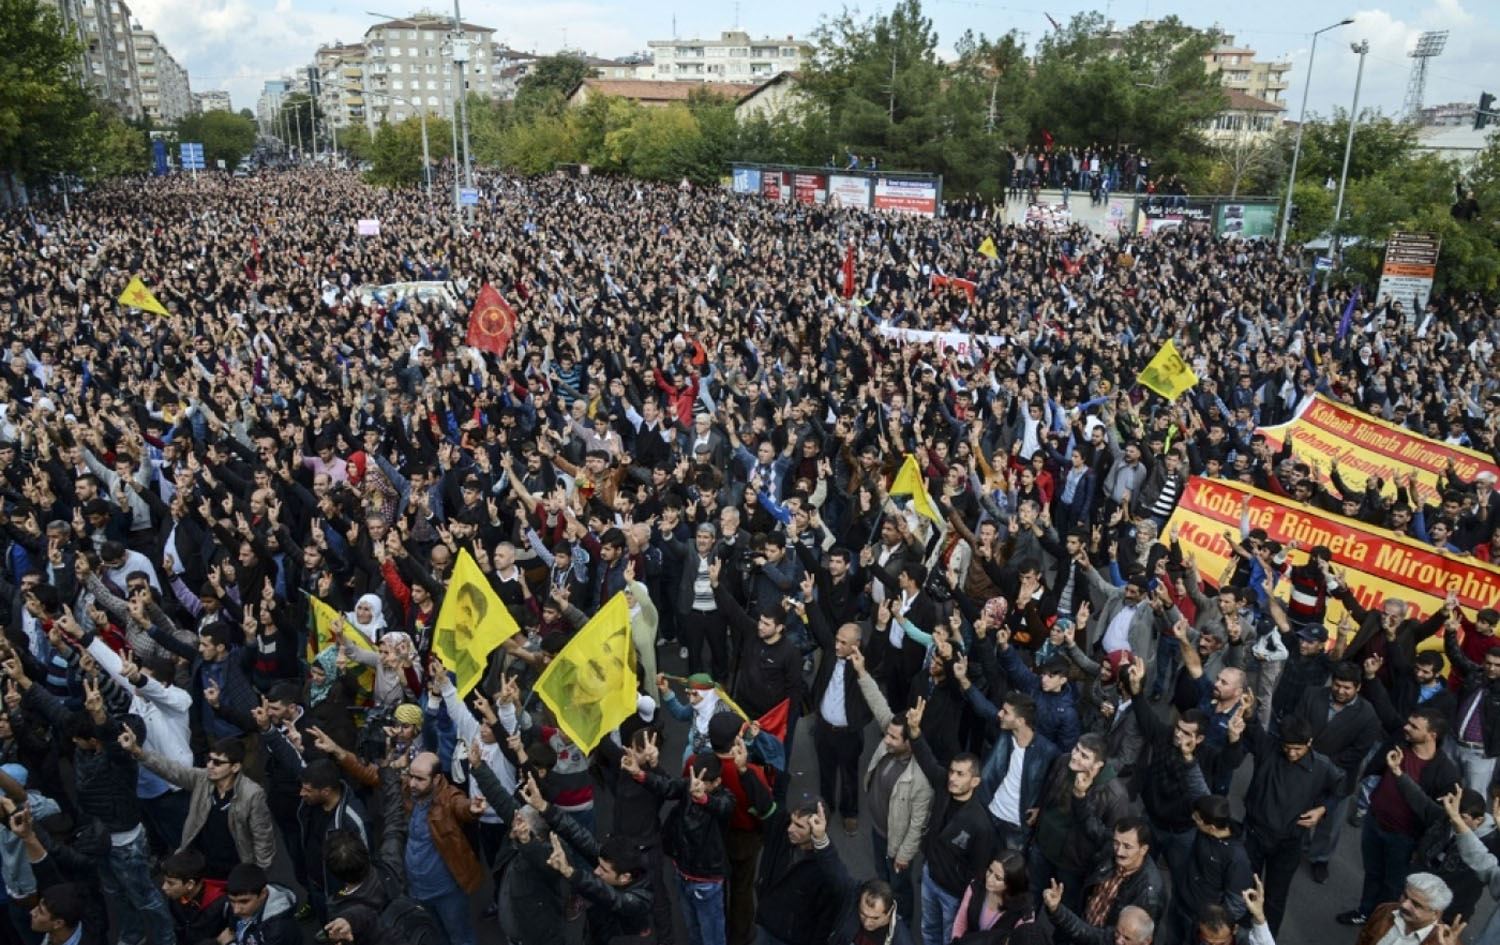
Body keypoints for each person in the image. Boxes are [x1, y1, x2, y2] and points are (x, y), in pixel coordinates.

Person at [908, 696, 994, 945]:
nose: (952, 778)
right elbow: (927, 760)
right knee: (928, 929)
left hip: (952, 894)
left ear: (975, 781)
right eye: (952, 772)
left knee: (949, 937)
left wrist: (964, 897)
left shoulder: (980, 824)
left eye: (960, 774)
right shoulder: (944, 786)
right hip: (929, 875)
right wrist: (914, 732)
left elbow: (978, 871)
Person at [1041, 817, 1166, 944]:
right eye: (1116, 842)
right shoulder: (1109, 851)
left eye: (1127, 846)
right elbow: (1091, 826)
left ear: (1143, 849)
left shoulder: (1148, 894)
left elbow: (1113, 939)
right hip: (1081, 926)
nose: (1119, 851)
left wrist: (1058, 911)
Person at [951, 851, 1045, 945]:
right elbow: (960, 923)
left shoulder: (1024, 912)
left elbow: (1021, 941)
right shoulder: (976, 886)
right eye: (990, 871)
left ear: (1011, 883)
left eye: (998, 878)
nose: (990, 879)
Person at [1350, 873, 1463, 945]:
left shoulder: (1444, 942)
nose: (1404, 905)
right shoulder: (1386, 910)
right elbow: (1364, 938)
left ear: (1436, 913)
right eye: (1405, 895)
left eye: (1416, 904)